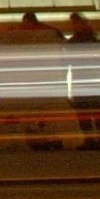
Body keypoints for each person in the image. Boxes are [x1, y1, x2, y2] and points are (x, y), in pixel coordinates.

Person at [14, 11, 65, 150]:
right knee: (45, 111)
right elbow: (62, 46)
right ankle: (50, 138)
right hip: (49, 77)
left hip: (34, 78)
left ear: (28, 21)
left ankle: (40, 139)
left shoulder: (27, 34)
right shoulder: (51, 31)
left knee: (36, 111)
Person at [63, 12, 100, 150]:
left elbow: (69, 60)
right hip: (93, 79)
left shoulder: (76, 41)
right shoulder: (96, 38)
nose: (72, 25)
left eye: (74, 23)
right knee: (95, 112)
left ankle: (94, 140)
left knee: (87, 112)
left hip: (84, 79)